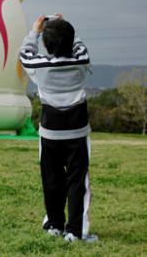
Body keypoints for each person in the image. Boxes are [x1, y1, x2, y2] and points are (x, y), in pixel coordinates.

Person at [19, 13, 97, 243]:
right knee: (77, 181)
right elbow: (80, 47)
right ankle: (75, 231)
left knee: (51, 180)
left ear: (45, 43)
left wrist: (35, 30)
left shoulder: (39, 66)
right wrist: (65, 27)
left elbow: (25, 54)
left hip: (50, 134)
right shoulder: (81, 62)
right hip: (77, 133)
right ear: (71, 41)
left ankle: (54, 224)